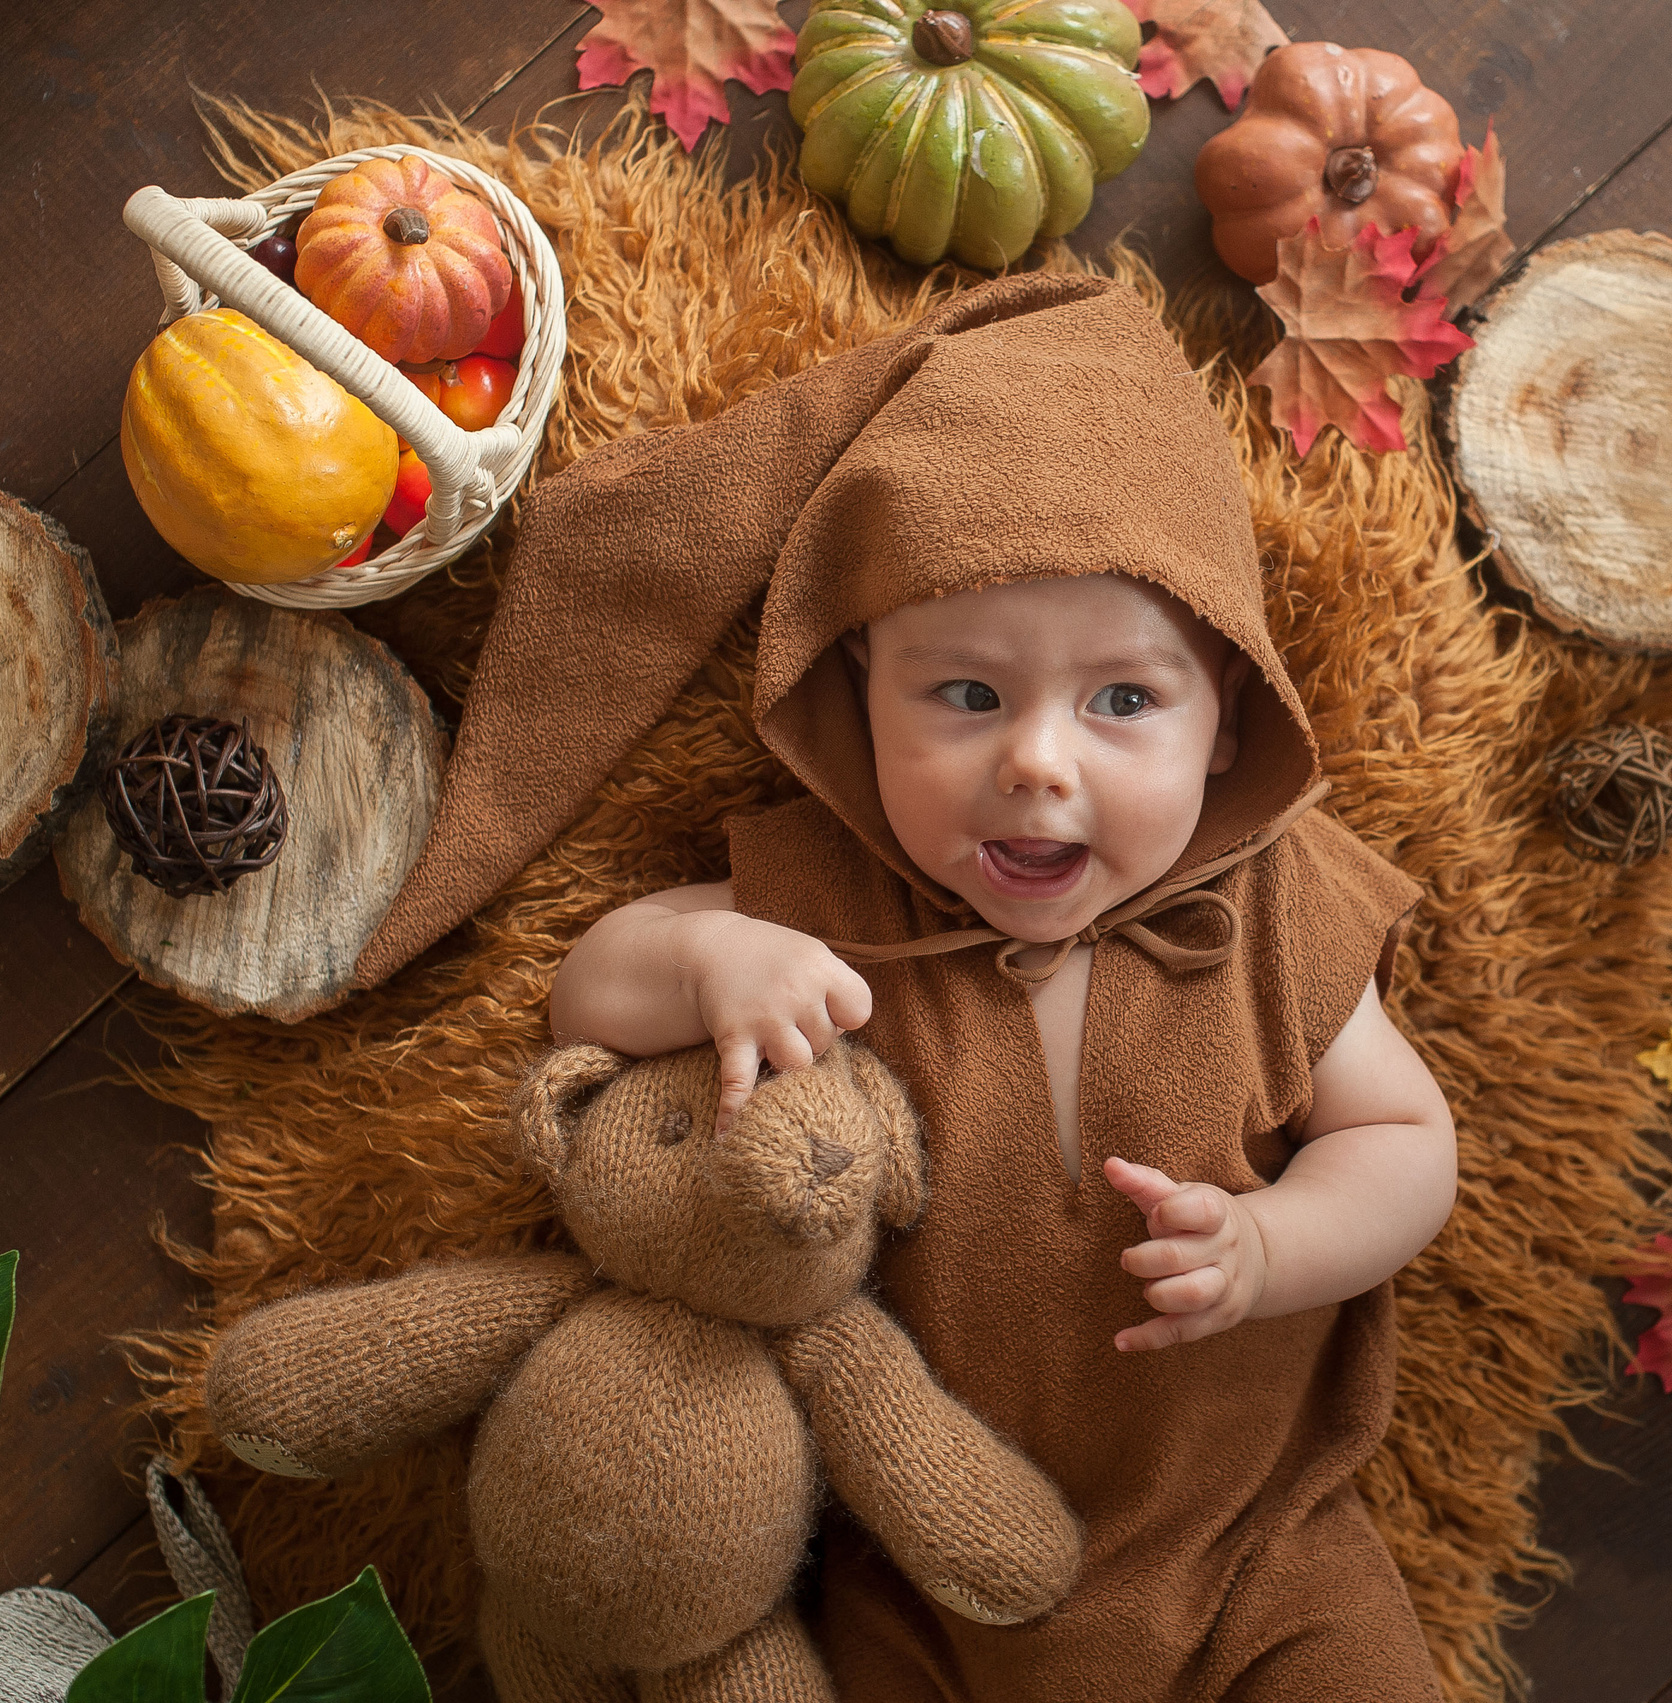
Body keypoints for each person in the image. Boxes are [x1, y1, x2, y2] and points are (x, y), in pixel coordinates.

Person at [361, 272, 1459, 1699]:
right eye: (967, 696)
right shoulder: (834, 901)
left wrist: (1270, 1247)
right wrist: (711, 960)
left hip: (1257, 1554)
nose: (1038, 763)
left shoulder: (1274, 906)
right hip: (921, 1585)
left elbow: (1406, 1142)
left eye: (1125, 701)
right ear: (857, 694)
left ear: (1229, 718)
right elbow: (590, 995)